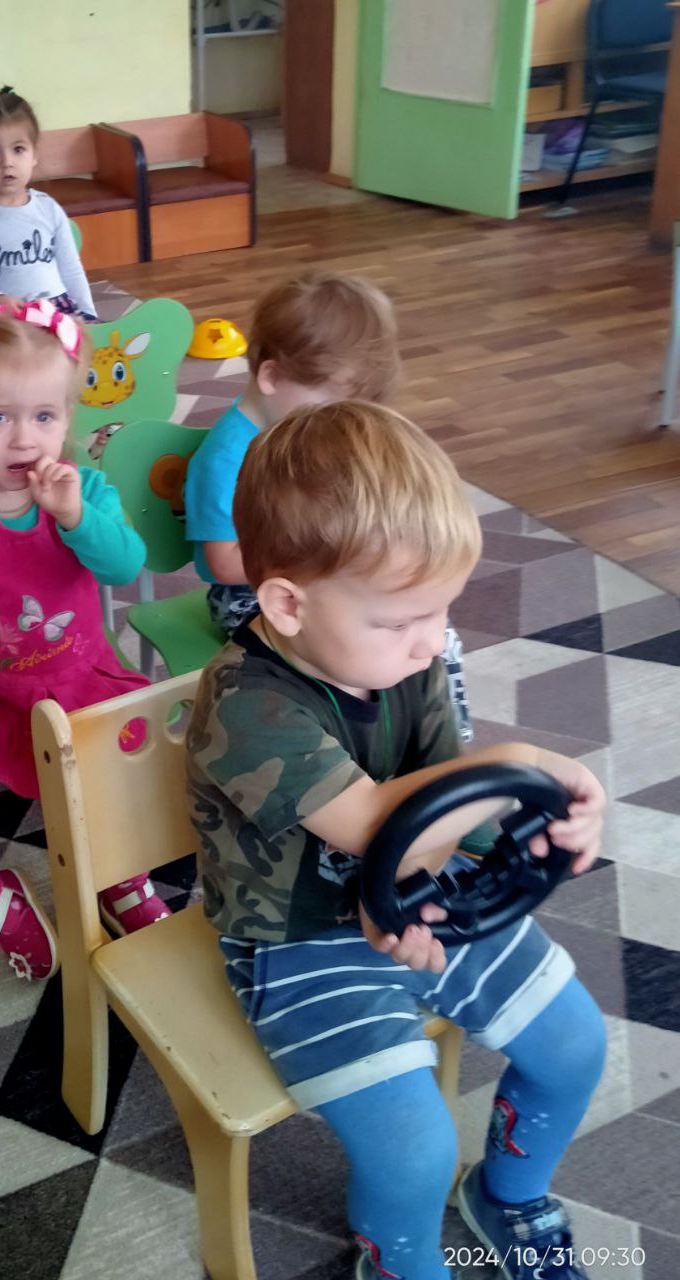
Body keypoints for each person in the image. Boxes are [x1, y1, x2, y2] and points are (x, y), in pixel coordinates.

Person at [186, 401, 606, 1280]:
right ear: (287, 603)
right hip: (296, 939)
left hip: (415, 893)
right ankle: (401, 1261)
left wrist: (543, 818)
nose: (430, 643)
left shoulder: (401, 658)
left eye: (439, 611)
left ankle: (507, 1195)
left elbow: (451, 796)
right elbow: (375, 824)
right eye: (400, 621)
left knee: (574, 1044)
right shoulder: (244, 705)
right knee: (412, 1147)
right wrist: (515, 763)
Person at [0, 292, 169, 982]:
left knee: (130, 765)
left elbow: (126, 566)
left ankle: (121, 877)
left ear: (67, 419)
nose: (23, 439)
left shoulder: (86, 492)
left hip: (80, 680)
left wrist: (75, 517)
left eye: (44, 416)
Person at [184, 270, 472, 740]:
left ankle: (442, 744)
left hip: (328, 573)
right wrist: (315, 561)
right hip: (249, 595)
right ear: (271, 377)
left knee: (428, 635)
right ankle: (344, 748)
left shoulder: (317, 445)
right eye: (328, 405)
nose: (338, 423)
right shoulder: (225, 458)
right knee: (345, 654)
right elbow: (222, 562)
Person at [0, 84, 96, 320]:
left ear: (34, 154)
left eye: (18, 149)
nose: (7, 162)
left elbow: (70, 268)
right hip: (6, 316)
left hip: (57, 310)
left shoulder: (48, 208)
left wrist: (88, 313)